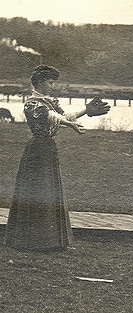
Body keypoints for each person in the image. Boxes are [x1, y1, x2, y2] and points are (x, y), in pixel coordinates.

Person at [4, 65, 110, 251]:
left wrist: (85, 111)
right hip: (37, 150)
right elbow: (51, 117)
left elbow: (62, 116)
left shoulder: (49, 101)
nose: (53, 86)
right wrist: (71, 125)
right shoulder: (32, 103)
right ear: (39, 82)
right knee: (38, 191)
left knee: (50, 191)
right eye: (50, 82)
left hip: (48, 149)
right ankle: (33, 241)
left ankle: (51, 241)